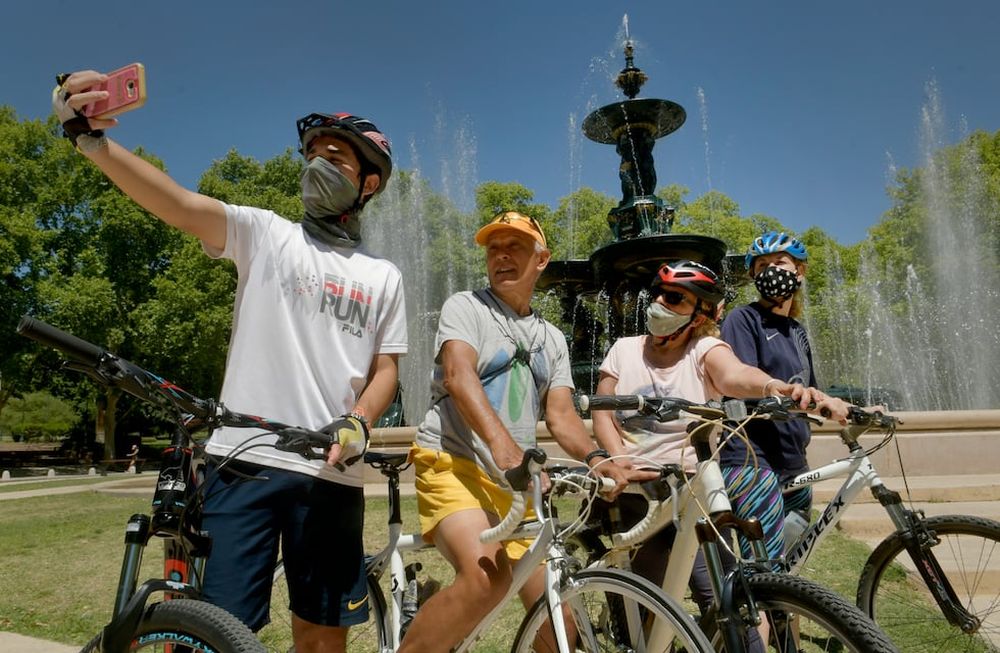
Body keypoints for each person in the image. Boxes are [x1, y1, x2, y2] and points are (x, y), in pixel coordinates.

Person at [51, 70, 407, 653]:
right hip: (241, 461)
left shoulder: (383, 275)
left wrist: (360, 420)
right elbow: (179, 204)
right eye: (310, 152)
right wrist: (91, 141)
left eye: (334, 156)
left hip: (331, 473)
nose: (316, 163)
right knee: (213, 634)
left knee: (323, 638)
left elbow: (386, 369)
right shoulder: (264, 233)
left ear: (368, 183)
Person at [397, 210, 636, 653]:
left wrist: (597, 457)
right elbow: (457, 375)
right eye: (494, 249)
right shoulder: (466, 307)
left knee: (560, 618)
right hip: (455, 463)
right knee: (486, 579)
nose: (501, 256)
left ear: (541, 259)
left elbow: (561, 415)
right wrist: (506, 451)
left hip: (517, 483)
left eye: (515, 247)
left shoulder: (553, 338)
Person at [589, 260, 847, 618]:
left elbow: (736, 374)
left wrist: (774, 386)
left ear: (699, 314)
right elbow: (602, 411)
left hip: (692, 494)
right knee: (647, 608)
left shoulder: (704, 349)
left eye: (675, 297)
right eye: (659, 292)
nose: (660, 302)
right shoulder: (624, 348)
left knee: (732, 604)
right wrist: (619, 459)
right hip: (636, 494)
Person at [719, 231, 846, 565]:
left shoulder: (798, 331)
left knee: (791, 574)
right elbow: (737, 380)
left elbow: (810, 394)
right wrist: (778, 387)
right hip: (752, 461)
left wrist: (851, 409)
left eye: (780, 262)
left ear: (799, 271)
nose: (770, 270)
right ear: (753, 276)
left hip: (795, 465)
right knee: (765, 573)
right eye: (762, 265)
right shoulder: (743, 320)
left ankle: (785, 620)